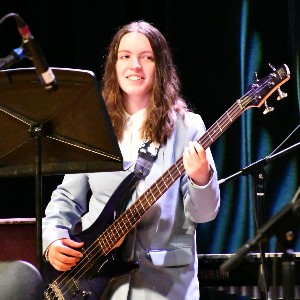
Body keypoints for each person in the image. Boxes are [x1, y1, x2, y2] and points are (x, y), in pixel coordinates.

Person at [42, 20, 220, 300]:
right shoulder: (92, 126)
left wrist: (201, 178)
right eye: (125, 56)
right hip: (97, 286)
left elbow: (204, 214)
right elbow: (66, 198)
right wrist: (52, 239)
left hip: (166, 288)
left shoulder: (189, 127)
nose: (134, 65)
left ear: (160, 68)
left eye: (146, 58)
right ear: (114, 65)